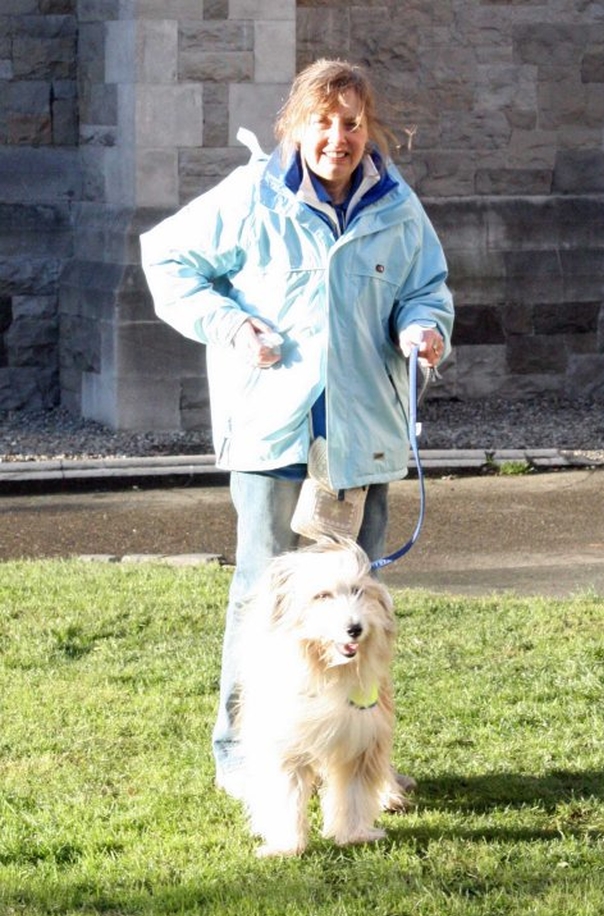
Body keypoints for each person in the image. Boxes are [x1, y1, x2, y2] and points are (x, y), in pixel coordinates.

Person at [140, 58, 454, 798]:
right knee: (264, 597)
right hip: (274, 436)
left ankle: (354, 759)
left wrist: (423, 329)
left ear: (368, 129)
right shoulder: (253, 196)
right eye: (323, 121)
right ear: (297, 126)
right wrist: (233, 322)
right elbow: (168, 259)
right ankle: (244, 756)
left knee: (356, 605)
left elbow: (427, 289)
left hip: (361, 441)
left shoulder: (397, 206)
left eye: (351, 123)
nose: (337, 138)